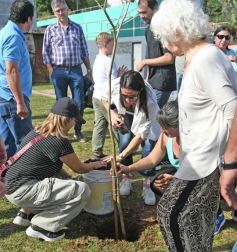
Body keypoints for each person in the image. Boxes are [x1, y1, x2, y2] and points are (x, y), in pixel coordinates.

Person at [150, 0, 237, 251]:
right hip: (200, 157)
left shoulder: (206, 58)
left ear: (177, 30)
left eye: (165, 36)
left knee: (172, 215)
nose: (164, 43)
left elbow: (233, 110)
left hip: (208, 160)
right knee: (197, 220)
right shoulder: (198, 57)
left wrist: (230, 164)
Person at [5, 97, 106, 242]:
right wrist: (96, 164)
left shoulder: (37, 131)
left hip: (12, 186)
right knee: (82, 190)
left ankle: (25, 214)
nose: (75, 123)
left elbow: (53, 171)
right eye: (74, 120)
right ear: (68, 120)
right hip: (22, 190)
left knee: (66, 184)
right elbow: (80, 169)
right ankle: (41, 227)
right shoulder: (59, 141)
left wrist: (69, 183)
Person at [106, 70, 160, 205]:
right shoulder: (114, 85)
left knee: (148, 148)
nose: (128, 100)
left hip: (147, 121)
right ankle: (127, 177)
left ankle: (147, 184)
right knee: (124, 142)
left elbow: (140, 136)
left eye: (132, 97)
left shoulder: (150, 103)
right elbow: (103, 98)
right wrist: (112, 114)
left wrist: (121, 156)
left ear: (140, 91)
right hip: (126, 115)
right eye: (124, 96)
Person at [42, 0, 93, 143]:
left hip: (76, 70)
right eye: (58, 11)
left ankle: (78, 131)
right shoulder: (50, 30)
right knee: (61, 103)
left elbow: (84, 50)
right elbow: (45, 53)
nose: (61, 13)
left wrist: (89, 69)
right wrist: (51, 71)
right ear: (54, 13)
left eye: (63, 9)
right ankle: (62, 132)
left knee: (79, 102)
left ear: (68, 10)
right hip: (58, 71)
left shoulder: (77, 28)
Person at [118, 100, 179, 196]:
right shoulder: (166, 136)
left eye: (166, 127)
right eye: (161, 126)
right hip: (183, 178)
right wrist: (128, 168)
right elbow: (151, 159)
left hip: (199, 182)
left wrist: (176, 179)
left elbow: (200, 173)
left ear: (181, 126)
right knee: (156, 183)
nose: (161, 130)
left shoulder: (195, 142)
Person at [0, 0, 34, 158]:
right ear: (29, 19)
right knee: (27, 145)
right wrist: (20, 102)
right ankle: (26, 181)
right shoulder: (13, 36)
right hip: (12, 101)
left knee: (8, 148)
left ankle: (8, 180)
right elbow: (11, 71)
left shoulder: (4, 32)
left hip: (4, 98)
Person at [91, 32, 126, 160]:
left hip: (96, 96)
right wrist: (120, 76)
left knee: (100, 125)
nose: (113, 47)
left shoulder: (97, 59)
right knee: (116, 124)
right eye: (112, 45)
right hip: (106, 97)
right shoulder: (108, 61)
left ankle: (96, 152)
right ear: (105, 45)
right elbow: (113, 84)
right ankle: (123, 149)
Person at [136, 0, 176, 108]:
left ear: (155, 9)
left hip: (162, 83)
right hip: (152, 82)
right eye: (139, 13)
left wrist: (145, 62)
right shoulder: (148, 30)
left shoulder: (165, 28)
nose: (141, 16)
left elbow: (169, 58)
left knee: (151, 117)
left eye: (144, 12)